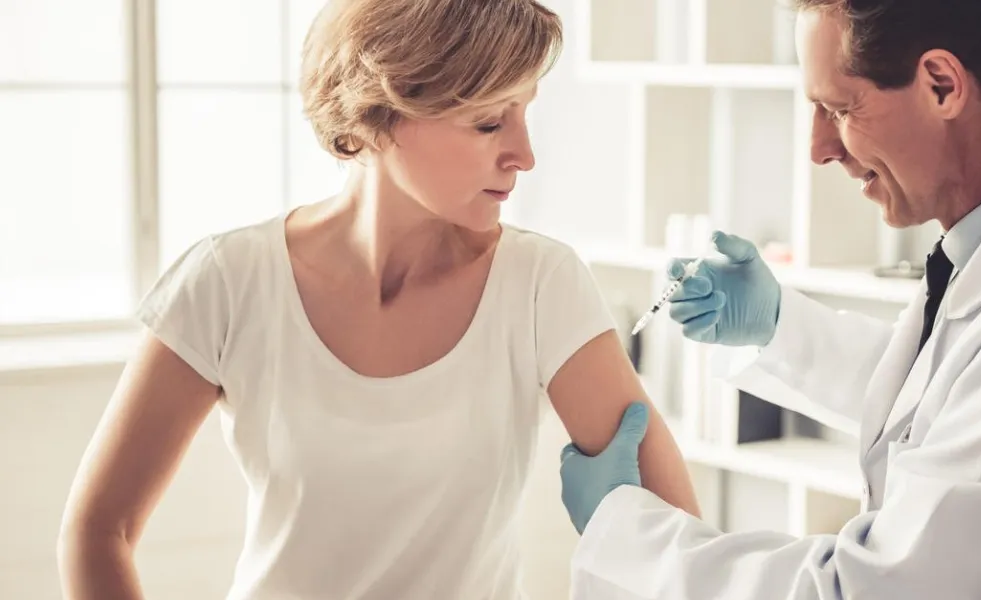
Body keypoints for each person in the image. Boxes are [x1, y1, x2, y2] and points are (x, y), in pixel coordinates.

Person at [56, 1, 700, 598]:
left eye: (525, 113)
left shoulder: (539, 284)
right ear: (380, 112)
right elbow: (98, 529)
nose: (524, 155)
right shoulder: (229, 280)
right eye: (487, 122)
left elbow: (676, 542)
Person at [559, 0, 981, 598]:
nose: (818, 148)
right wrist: (778, 327)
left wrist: (624, 528)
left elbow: (858, 590)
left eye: (839, 109)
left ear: (942, 84)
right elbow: (960, 394)